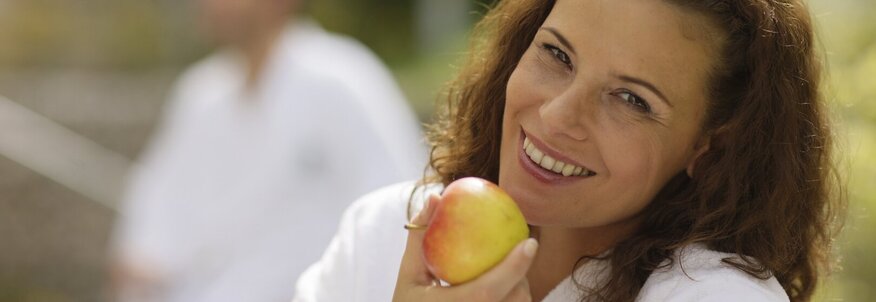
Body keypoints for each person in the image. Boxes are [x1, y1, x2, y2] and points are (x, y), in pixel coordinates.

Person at [293, 0, 845, 301]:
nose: (557, 116)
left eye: (631, 99)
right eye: (557, 55)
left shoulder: (715, 297)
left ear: (709, 147)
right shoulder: (382, 233)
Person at [109, 0, 426, 301]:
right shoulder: (199, 95)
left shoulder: (342, 81)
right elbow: (155, 208)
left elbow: (399, 205)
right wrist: (143, 258)